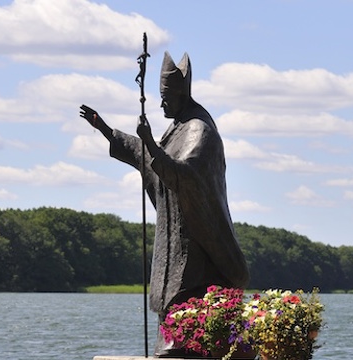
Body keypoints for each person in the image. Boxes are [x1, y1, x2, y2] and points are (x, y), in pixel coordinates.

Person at [79, 51, 250, 357]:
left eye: (166, 97)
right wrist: (106, 130)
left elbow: (187, 177)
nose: (161, 105)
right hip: (173, 235)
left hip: (196, 240)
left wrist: (154, 148)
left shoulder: (200, 130)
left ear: (183, 94)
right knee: (170, 296)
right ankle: (178, 345)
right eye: (159, 97)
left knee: (186, 293)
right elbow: (150, 158)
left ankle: (192, 344)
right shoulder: (180, 125)